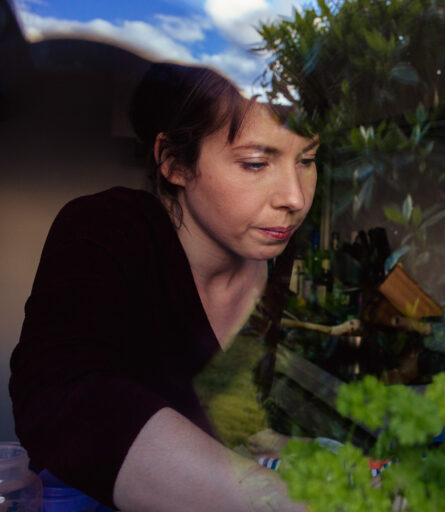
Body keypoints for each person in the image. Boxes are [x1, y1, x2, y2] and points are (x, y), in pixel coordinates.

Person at [9, 62, 317, 512]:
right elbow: (62, 397)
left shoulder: (270, 248)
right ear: (174, 163)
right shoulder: (104, 228)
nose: (294, 197)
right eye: (256, 163)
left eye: (307, 160)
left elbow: (228, 414)